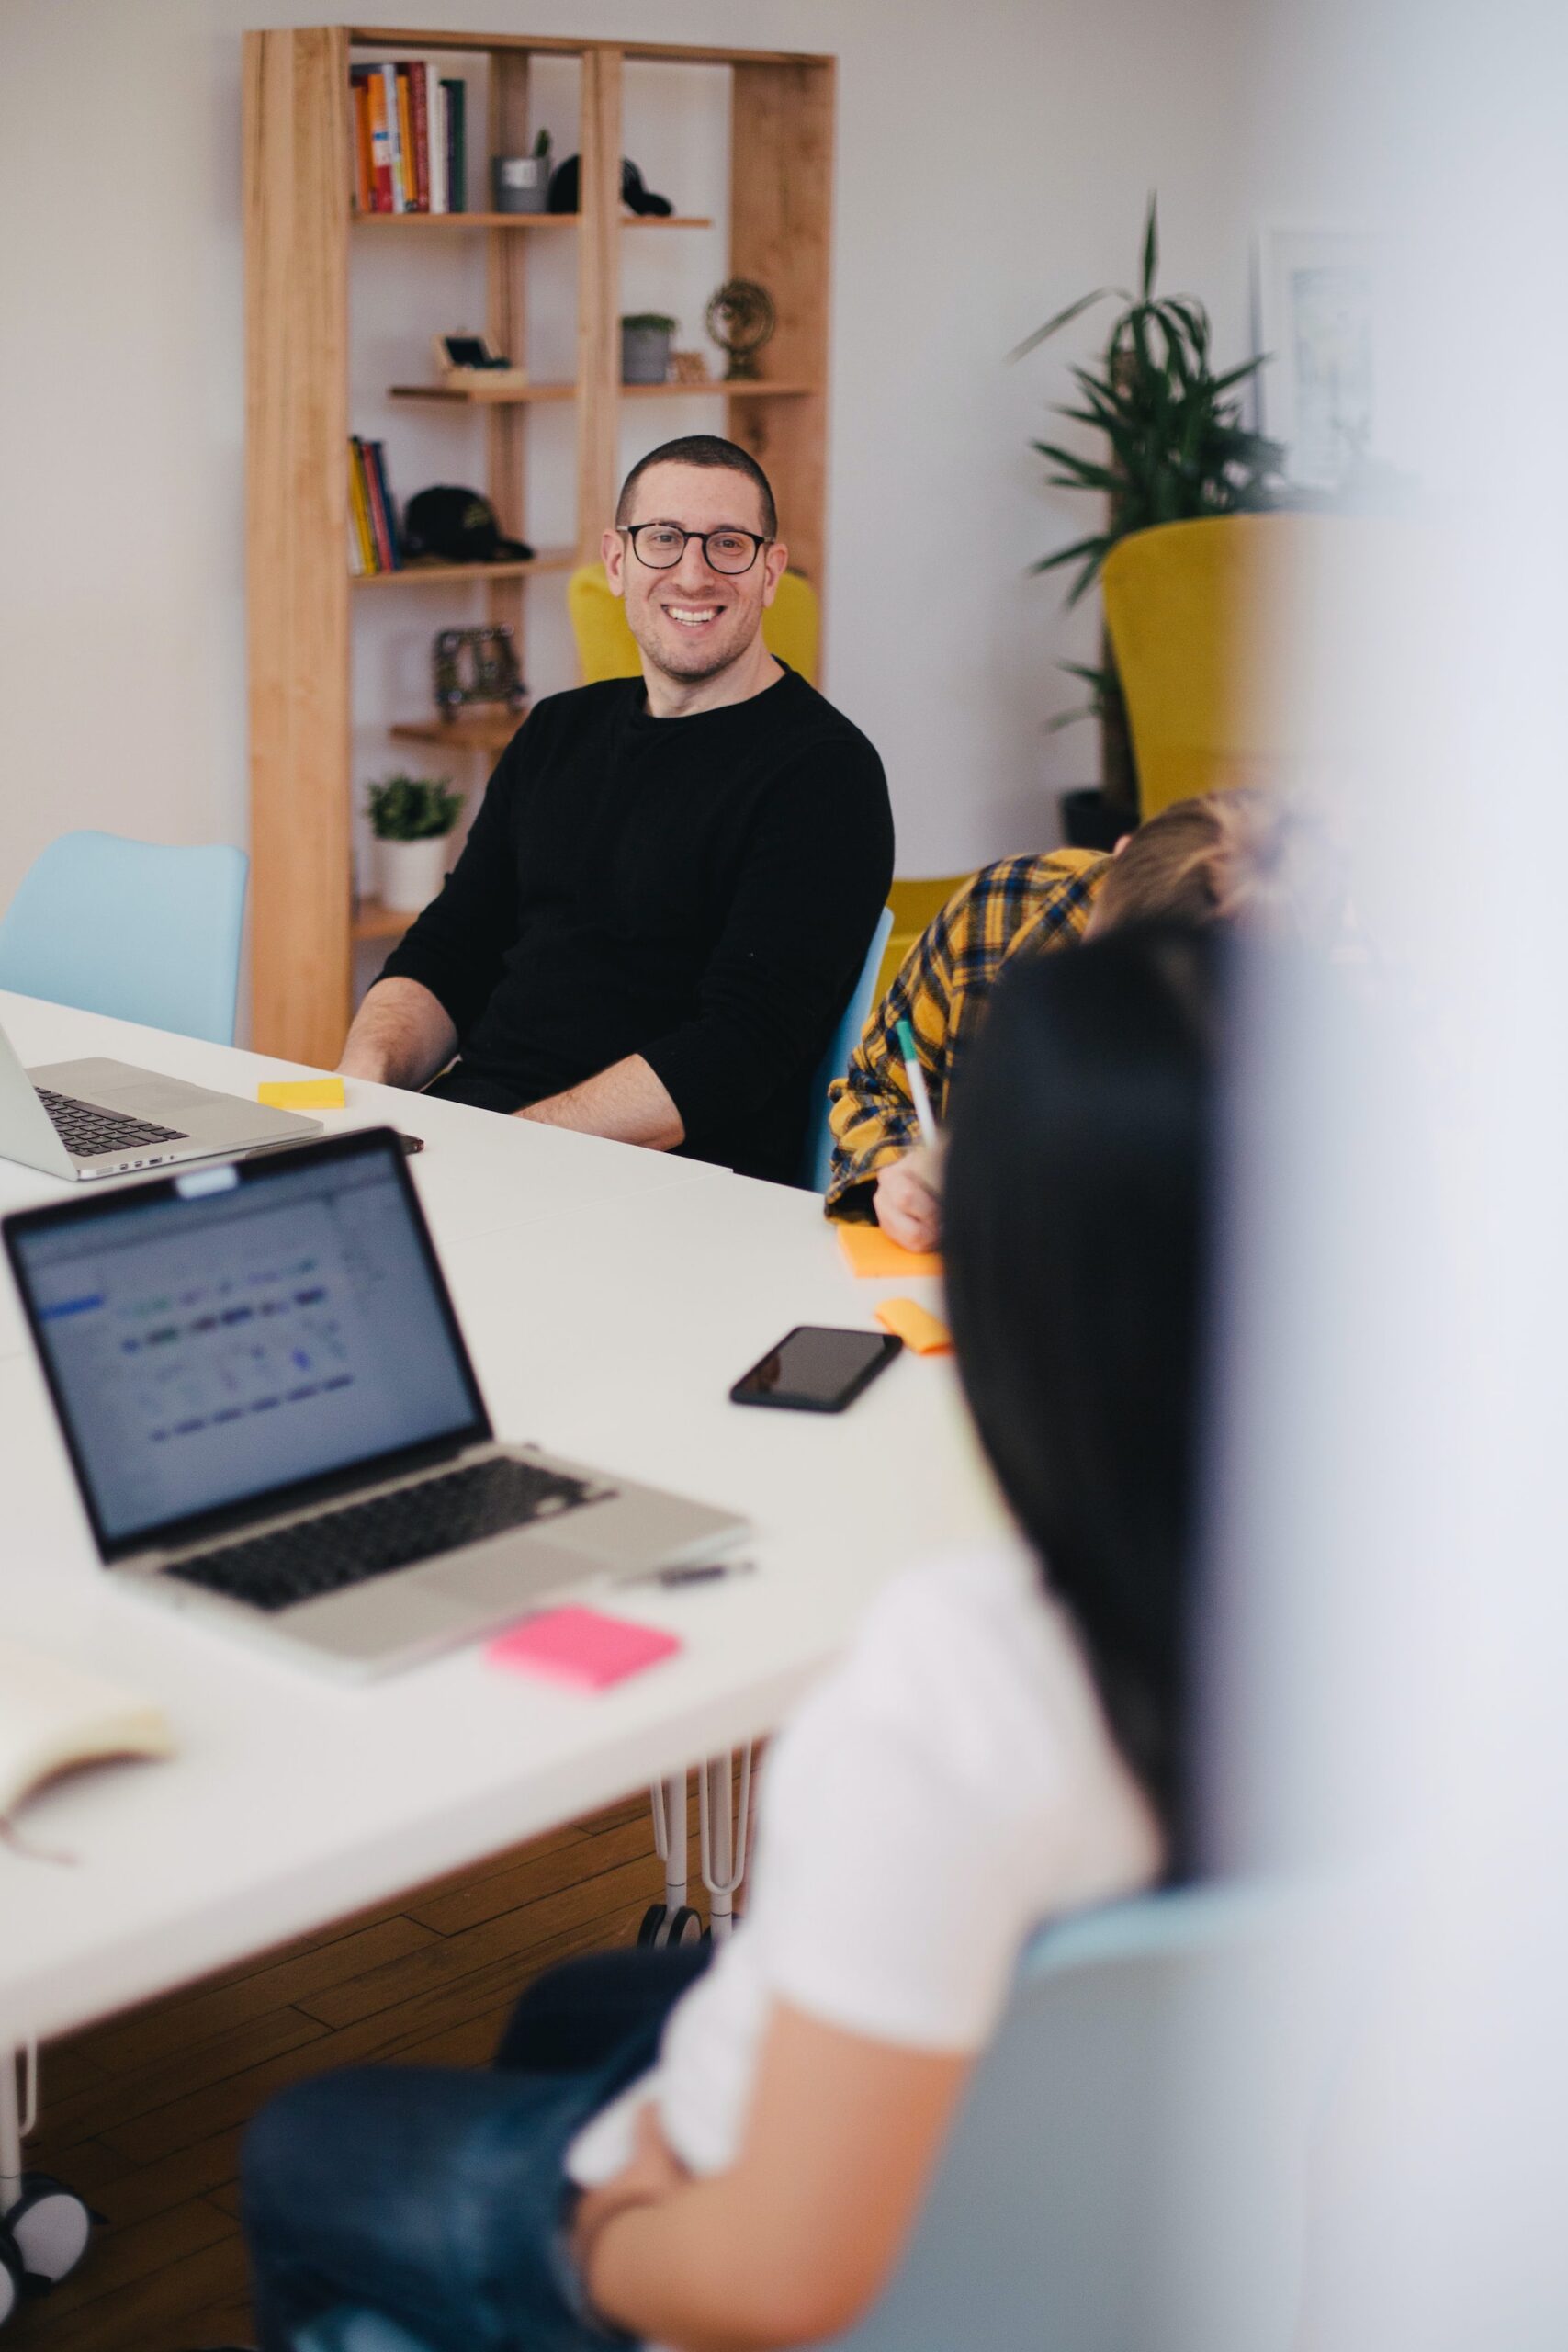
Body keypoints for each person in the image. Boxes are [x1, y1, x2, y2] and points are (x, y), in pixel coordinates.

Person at [235, 922, 1220, 2352]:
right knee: (573, 2006)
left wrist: (604, 2231)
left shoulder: (963, 1675)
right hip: (1104, 2175)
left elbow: (776, 2280)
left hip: (759, 2224)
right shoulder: (1391, 1613)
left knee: (306, 2138)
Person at [339, 436, 894, 1186]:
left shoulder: (824, 774)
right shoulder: (556, 730)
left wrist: (501, 1143)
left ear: (769, 571)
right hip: (483, 1145)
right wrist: (358, 1089)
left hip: (666, 1184)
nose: (691, 574)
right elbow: (451, 948)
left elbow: (736, 1048)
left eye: (727, 544)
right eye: (661, 539)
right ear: (616, 561)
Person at [830, 787, 1284, 1250]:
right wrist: (898, 1170)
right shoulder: (1004, 911)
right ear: (1120, 855)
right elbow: (872, 1087)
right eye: (1102, 961)